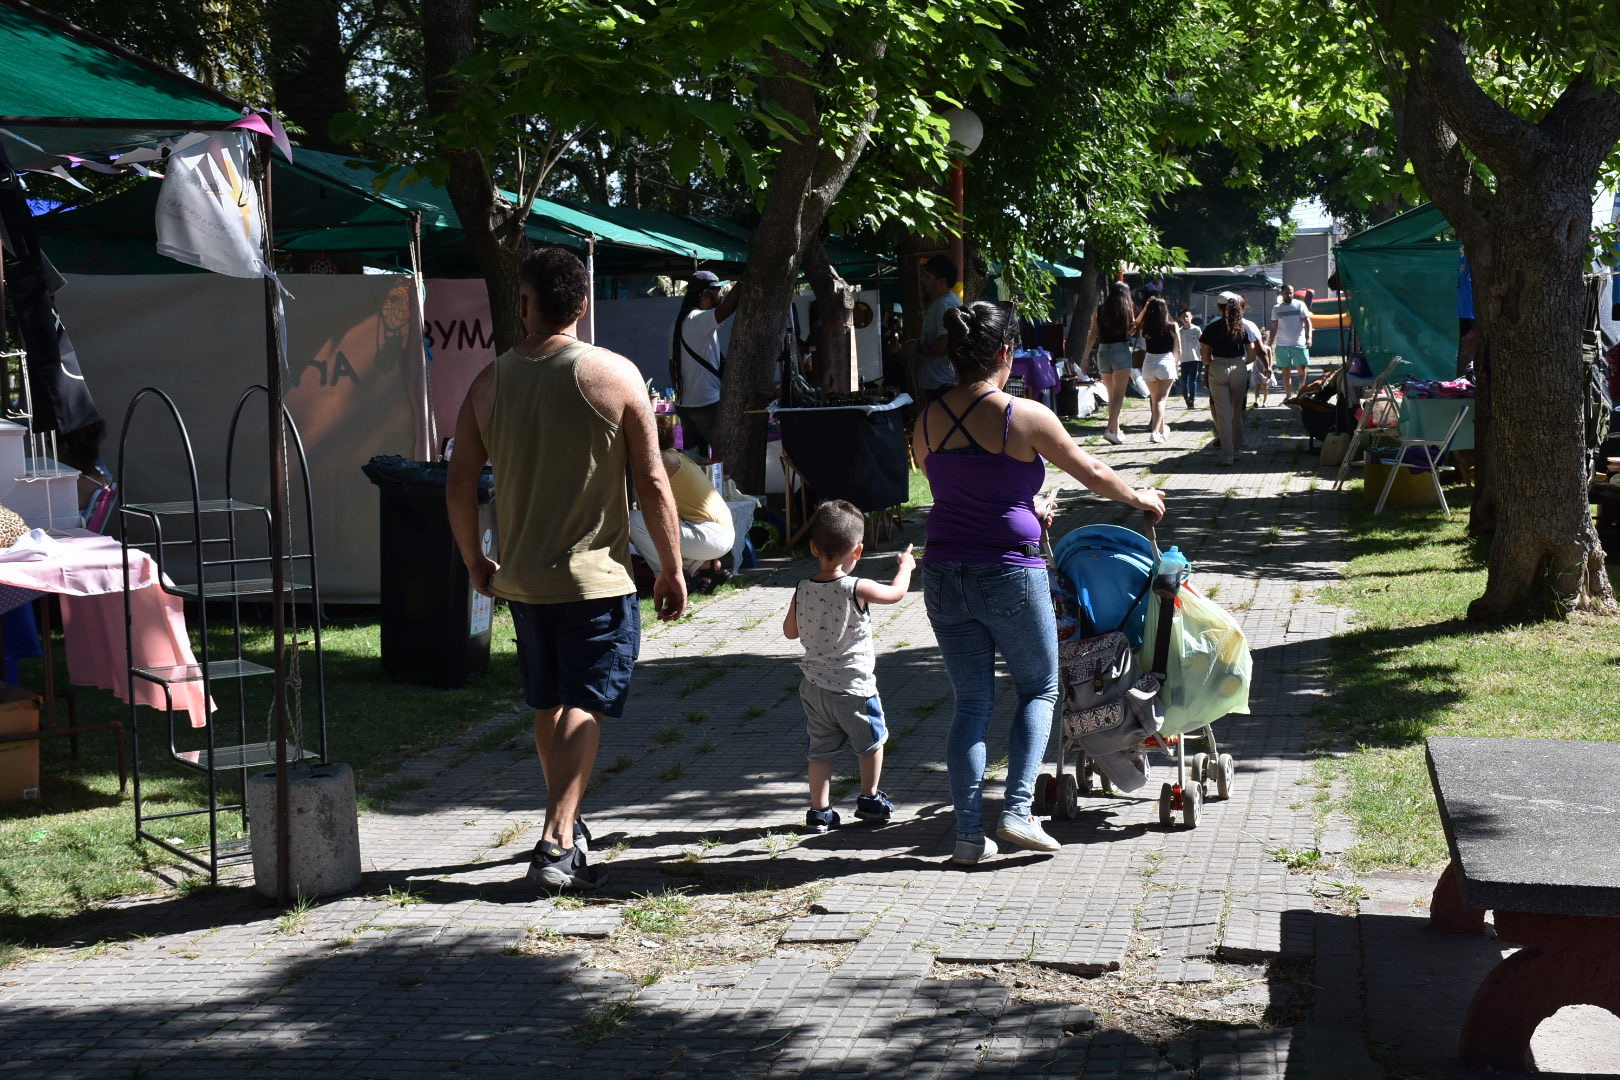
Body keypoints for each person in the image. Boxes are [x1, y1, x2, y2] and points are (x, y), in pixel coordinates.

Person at [448, 245, 687, 891]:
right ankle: (556, 839)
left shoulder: (488, 382)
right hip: (596, 580)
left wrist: (475, 559)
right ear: (583, 304)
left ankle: (567, 819)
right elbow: (654, 483)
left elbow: (459, 482)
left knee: (551, 702)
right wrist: (671, 566)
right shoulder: (616, 376)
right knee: (586, 701)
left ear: (523, 305)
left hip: (521, 579)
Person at [912, 299, 1165, 866]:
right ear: (1006, 353)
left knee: (971, 703)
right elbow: (1093, 471)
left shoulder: (926, 420)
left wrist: (1024, 507)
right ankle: (1019, 813)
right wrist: (1141, 496)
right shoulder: (1023, 416)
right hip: (1007, 569)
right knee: (1039, 689)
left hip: (942, 571)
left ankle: (967, 836)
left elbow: (957, 486)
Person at [782, 501, 914, 833]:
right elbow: (897, 593)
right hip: (854, 688)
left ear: (813, 547)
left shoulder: (802, 588)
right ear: (858, 551)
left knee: (820, 751)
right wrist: (906, 566)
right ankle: (869, 798)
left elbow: (789, 631)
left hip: (814, 687)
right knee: (871, 742)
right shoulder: (857, 588)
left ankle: (819, 811)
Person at [627, 413, 735, 592]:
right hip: (714, 533)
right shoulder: (675, 456)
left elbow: (644, 502)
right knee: (654, 531)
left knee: (635, 520)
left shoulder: (660, 460)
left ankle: (665, 577)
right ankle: (706, 567)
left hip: (710, 534)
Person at [670, 270, 740, 460]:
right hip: (706, 402)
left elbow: (671, 365)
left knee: (695, 462)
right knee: (723, 458)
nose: (722, 293)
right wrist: (743, 282)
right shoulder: (699, 319)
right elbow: (727, 309)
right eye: (718, 290)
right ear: (706, 295)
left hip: (685, 404)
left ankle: (698, 490)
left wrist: (683, 394)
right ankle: (723, 489)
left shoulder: (678, 323)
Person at [1200, 292, 1261, 465]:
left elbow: (1205, 357)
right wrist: (1240, 362)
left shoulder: (1211, 327)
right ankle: (1238, 449)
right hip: (1239, 368)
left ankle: (1227, 454)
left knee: (1223, 413)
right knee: (1237, 412)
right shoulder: (1243, 327)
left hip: (1217, 366)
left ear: (1219, 308)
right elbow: (1251, 355)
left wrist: (1213, 364)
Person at [1080, 280, 1136, 444]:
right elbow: (1132, 330)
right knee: (1119, 394)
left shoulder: (1099, 310)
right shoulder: (1127, 310)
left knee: (1112, 394)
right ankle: (1110, 429)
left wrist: (1084, 358)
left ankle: (1116, 430)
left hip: (1103, 352)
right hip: (1121, 351)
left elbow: (1092, 335)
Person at [915, 254, 963, 401]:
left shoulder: (944, 304)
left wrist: (918, 348)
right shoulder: (944, 302)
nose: (922, 281)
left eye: (927, 277)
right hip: (942, 383)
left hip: (943, 385)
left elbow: (944, 345)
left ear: (942, 282)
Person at [1133, 296, 1178, 442]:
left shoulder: (1145, 326)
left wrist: (1145, 307)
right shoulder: (1172, 325)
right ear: (1165, 310)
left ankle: (1161, 429)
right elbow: (1179, 350)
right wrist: (1175, 366)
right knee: (1161, 400)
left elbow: (1134, 323)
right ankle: (1154, 432)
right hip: (1165, 362)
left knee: (1155, 399)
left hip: (1149, 363)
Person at [1267, 283, 1313, 398]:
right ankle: (1288, 396)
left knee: (1301, 371)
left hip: (1298, 343)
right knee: (1285, 373)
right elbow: (1273, 328)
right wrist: (1269, 343)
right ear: (1282, 294)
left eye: (1291, 292)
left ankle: (1301, 393)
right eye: (1286, 293)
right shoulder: (1276, 308)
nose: (1289, 295)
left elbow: (1308, 322)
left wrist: (1309, 337)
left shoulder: (1300, 305)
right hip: (1282, 345)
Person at [1176, 311, 1203, 409]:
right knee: (1184, 380)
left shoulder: (1196, 329)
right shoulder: (1179, 331)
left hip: (1195, 359)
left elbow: (1202, 344)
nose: (1186, 319)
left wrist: (1204, 356)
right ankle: (1186, 397)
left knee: (1193, 380)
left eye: (1187, 316)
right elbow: (1176, 346)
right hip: (1183, 360)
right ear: (1180, 319)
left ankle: (1192, 399)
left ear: (1191, 317)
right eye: (1183, 317)